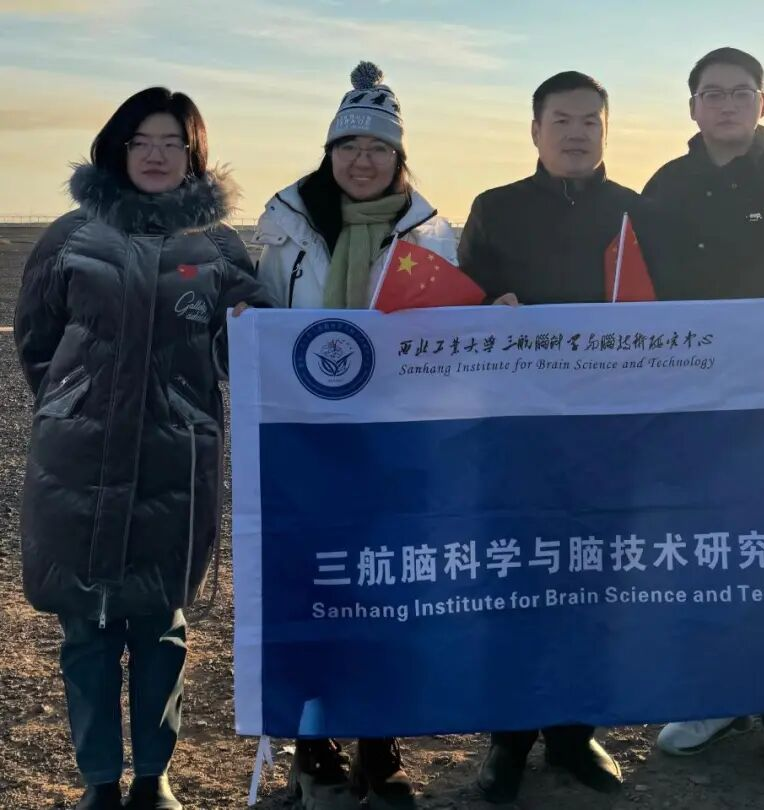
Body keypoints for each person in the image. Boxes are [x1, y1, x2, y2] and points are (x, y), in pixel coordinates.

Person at [14, 87, 269, 810]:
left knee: (161, 625)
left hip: (174, 460)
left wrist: (243, 327)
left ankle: (154, 776)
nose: (156, 156)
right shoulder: (70, 237)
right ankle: (99, 779)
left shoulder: (218, 249)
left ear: (194, 155)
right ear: (118, 149)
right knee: (86, 627)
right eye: (142, 142)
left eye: (172, 144)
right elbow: (37, 341)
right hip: (78, 459)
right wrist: (72, 402)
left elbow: (248, 354)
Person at [458, 70, 667, 804]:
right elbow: (464, 303)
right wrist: (490, 306)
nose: (576, 133)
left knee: (595, 583)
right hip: (518, 431)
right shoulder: (495, 208)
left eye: (590, 122)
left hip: (609, 431)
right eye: (561, 120)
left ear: (607, 130)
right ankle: (508, 740)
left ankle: (577, 734)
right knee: (518, 582)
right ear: (535, 130)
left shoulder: (637, 213)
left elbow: (669, 315)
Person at [254, 61, 457, 810]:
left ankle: (381, 746)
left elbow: (448, 333)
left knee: (389, 595)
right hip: (305, 445)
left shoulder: (432, 235)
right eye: (348, 146)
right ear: (329, 152)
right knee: (311, 593)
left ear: (399, 157)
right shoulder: (288, 231)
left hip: (395, 449)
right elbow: (261, 318)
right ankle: (315, 750)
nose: (362, 161)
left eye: (377, 148)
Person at [642, 46, 764, 785]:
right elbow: (638, 293)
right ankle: (715, 696)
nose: (726, 104)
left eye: (741, 92)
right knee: (704, 554)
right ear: (692, 106)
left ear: (763, 103)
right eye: (712, 93)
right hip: (692, 406)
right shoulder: (665, 185)